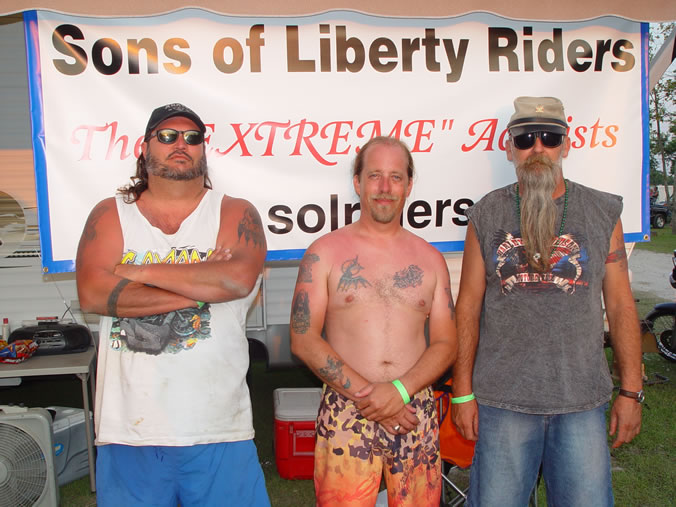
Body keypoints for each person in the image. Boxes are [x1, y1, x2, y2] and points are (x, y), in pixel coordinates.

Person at [76, 103, 270, 506]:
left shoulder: (235, 212)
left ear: (203, 149)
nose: (181, 143)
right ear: (144, 147)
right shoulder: (111, 214)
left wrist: (135, 271)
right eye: (167, 135)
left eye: (192, 137)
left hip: (219, 428)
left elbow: (236, 279)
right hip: (130, 430)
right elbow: (94, 293)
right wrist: (202, 286)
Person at [453, 96, 643, 506]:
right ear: (509, 148)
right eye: (525, 139)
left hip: (580, 400)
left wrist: (631, 391)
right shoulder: (485, 214)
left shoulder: (602, 212)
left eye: (549, 137)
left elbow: (621, 305)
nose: (537, 148)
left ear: (566, 145)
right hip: (502, 401)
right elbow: (467, 306)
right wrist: (462, 392)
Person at [289, 136, 457, 506]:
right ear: (358, 182)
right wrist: (372, 396)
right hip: (347, 408)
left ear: (409, 186)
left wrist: (398, 392)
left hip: (412, 410)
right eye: (375, 176)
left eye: (395, 177)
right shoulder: (325, 252)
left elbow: (447, 343)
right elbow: (303, 338)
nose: (384, 187)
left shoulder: (431, 260)